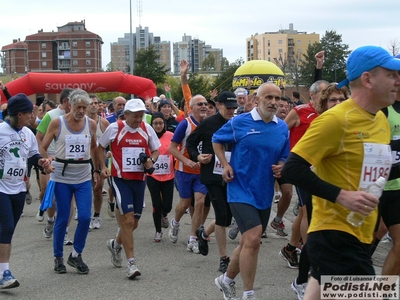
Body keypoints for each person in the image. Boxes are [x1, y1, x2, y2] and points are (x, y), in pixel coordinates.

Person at [281, 45, 400, 300]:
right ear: (367, 79)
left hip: (362, 231)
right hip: (335, 233)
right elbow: (292, 168)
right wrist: (341, 196)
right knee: (372, 295)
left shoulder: (379, 118)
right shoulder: (335, 120)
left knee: (318, 292)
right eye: (391, 74)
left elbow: (371, 171)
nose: (397, 80)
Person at [213, 82, 290, 300]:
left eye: (277, 98)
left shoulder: (281, 127)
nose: (274, 102)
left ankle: (226, 280)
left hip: (263, 191)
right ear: (257, 100)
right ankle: (248, 293)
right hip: (239, 189)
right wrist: (225, 165)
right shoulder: (239, 123)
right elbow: (217, 140)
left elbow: (285, 154)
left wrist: (283, 164)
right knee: (254, 239)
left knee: (249, 241)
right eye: (269, 98)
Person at [291, 82, 349, 299]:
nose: (337, 104)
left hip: (350, 203)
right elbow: (293, 164)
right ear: (323, 103)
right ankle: (301, 280)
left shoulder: (353, 122)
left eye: (341, 100)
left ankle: (306, 280)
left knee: (327, 254)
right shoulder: (320, 123)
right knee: (318, 241)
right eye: (332, 100)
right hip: (321, 191)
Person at [98, 99, 160, 279]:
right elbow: (100, 147)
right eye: (134, 117)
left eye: (141, 116)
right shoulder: (115, 128)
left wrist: (151, 161)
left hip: (139, 179)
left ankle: (116, 244)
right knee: (127, 219)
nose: (138, 120)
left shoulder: (147, 129)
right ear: (126, 115)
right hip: (120, 179)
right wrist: (102, 167)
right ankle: (131, 263)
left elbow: (155, 151)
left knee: (135, 222)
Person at [40, 88, 99, 275]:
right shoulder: (58, 123)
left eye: (85, 107)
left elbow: (94, 148)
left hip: (82, 177)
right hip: (62, 177)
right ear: (70, 105)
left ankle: (76, 254)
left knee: (85, 217)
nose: (81, 110)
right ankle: (58, 256)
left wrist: (97, 170)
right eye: (78, 106)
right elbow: (43, 146)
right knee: (63, 217)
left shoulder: (91, 124)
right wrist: (47, 160)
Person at [0, 94, 53, 289]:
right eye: (29, 112)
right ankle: (4, 273)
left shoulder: (28, 133)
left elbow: (33, 155)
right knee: (5, 228)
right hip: (1, 188)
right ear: (19, 114)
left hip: (19, 188)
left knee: (9, 230)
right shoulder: (1, 131)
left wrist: (42, 162)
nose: (33, 115)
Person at [186, 91, 238, 272]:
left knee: (228, 216)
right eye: (228, 108)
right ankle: (224, 257)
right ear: (219, 106)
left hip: (231, 175)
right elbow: (190, 143)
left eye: (234, 108)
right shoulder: (208, 123)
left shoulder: (238, 123)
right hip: (212, 176)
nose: (231, 111)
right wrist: (198, 156)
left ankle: (203, 233)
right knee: (222, 216)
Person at [279, 79, 328, 268]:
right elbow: (280, 134)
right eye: (323, 94)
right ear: (312, 95)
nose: (326, 99)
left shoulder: (330, 114)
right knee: (308, 211)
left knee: (303, 211)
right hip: (301, 168)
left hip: (323, 169)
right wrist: (282, 160)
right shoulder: (300, 111)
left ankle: (291, 247)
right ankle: (312, 258)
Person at [167, 94, 209, 254]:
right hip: (184, 170)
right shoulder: (185, 124)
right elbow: (171, 148)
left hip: (201, 171)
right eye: (200, 104)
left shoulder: (209, 124)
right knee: (185, 204)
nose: (204, 106)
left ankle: (193, 238)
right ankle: (175, 222)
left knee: (199, 203)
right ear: (192, 107)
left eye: (205, 103)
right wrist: (186, 160)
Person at [36, 88, 73, 242]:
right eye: (74, 103)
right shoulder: (50, 116)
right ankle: (51, 220)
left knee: (69, 200)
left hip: (70, 164)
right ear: (65, 102)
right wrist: (45, 157)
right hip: (51, 162)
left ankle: (64, 231)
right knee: (50, 196)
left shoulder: (77, 117)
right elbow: (38, 138)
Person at [146, 112, 175, 242]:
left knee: (168, 205)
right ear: (152, 124)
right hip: (152, 175)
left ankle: (164, 214)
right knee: (156, 203)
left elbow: (176, 150)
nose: (158, 126)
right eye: (156, 123)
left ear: (164, 124)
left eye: (161, 123)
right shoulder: (148, 136)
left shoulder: (171, 135)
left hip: (168, 174)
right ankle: (158, 231)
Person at [87, 94, 110, 230]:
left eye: (96, 103)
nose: (94, 105)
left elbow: (111, 141)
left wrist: (110, 152)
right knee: (84, 189)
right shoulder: (81, 122)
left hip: (100, 160)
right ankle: (85, 213)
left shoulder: (104, 123)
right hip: (85, 161)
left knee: (98, 189)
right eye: (91, 103)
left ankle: (96, 215)